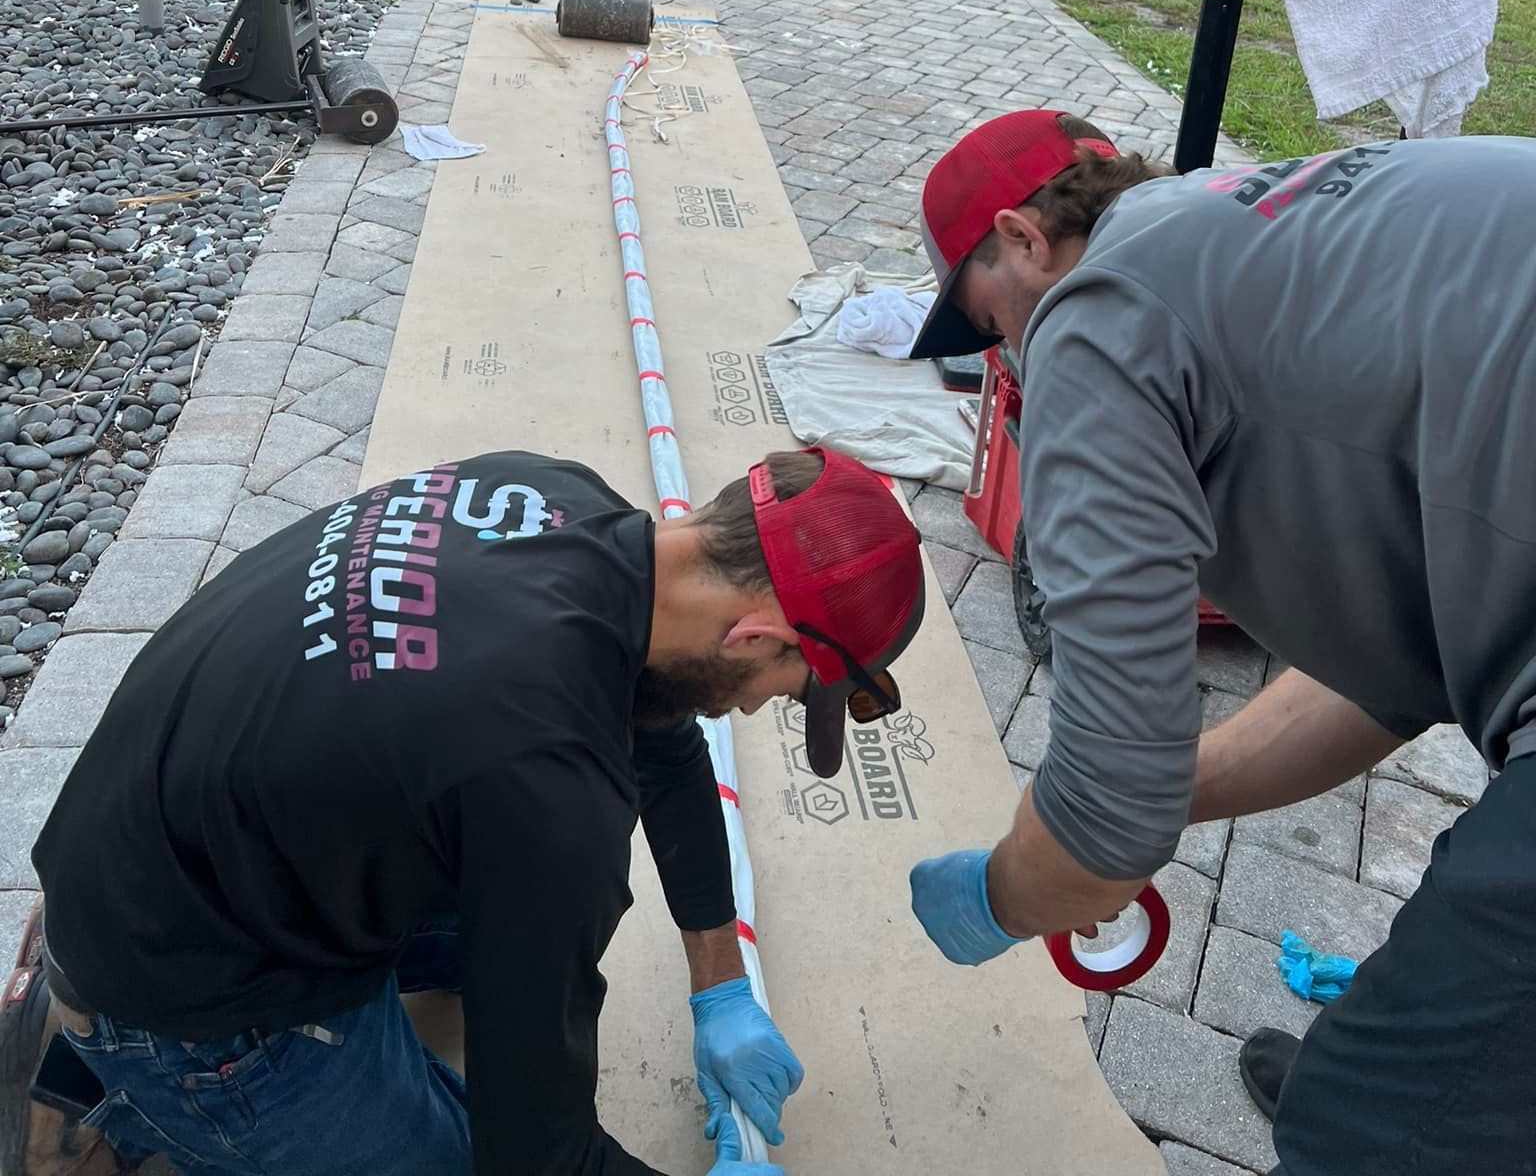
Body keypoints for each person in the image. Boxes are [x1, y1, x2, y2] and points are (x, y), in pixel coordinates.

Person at [900, 109, 1536, 1176]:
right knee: (1441, 1049)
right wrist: (1164, 793)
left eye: (984, 322)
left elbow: (1104, 815)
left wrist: (1006, 893)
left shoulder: (1096, 315)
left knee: (1372, 1128)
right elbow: (1391, 674)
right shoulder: (1230, 234)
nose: (1004, 357)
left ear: (1021, 237)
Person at [32, 444, 925, 1175]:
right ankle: (126, 1097)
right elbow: (538, 1155)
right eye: (784, 687)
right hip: (184, 1002)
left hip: (150, 847)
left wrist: (721, 985)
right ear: (755, 635)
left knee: (520, 903)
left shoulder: (551, 491)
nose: (758, 707)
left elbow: (664, 738)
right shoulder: (546, 782)